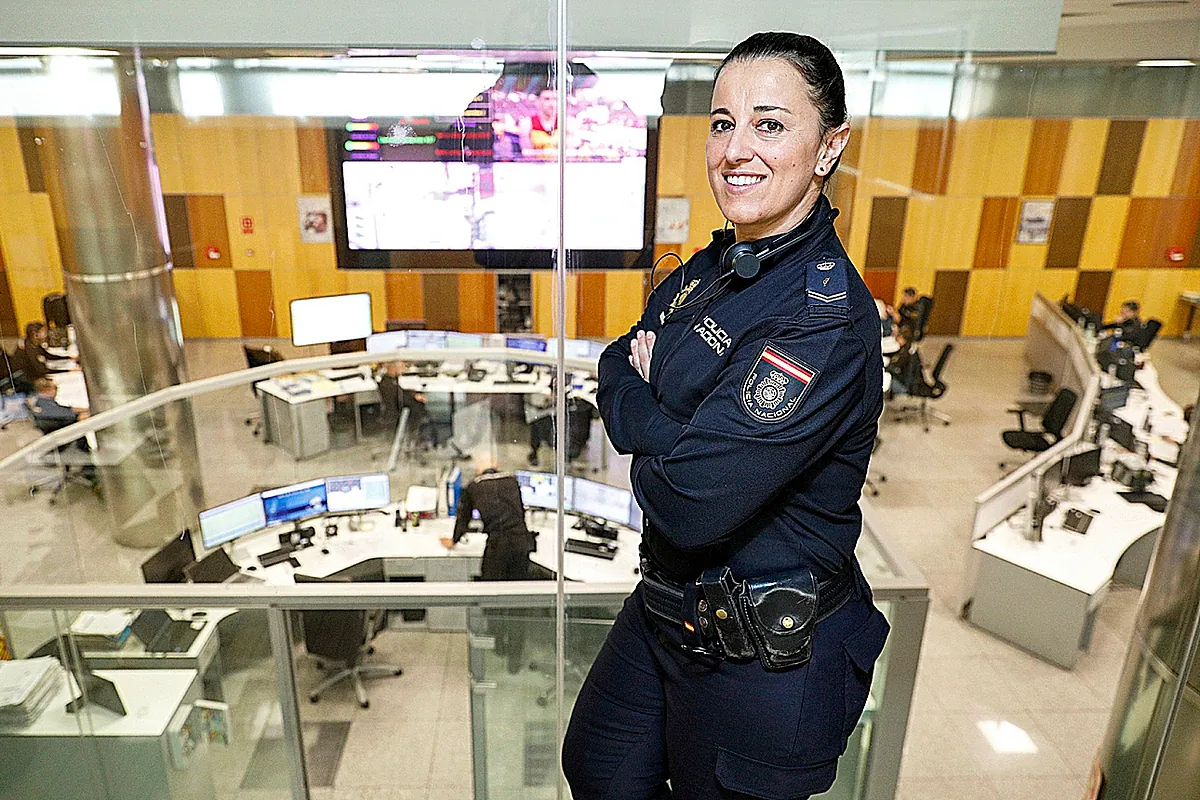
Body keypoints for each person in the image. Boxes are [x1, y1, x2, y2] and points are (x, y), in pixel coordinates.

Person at [562, 32, 890, 800]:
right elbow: (615, 362)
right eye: (721, 123)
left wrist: (660, 414)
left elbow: (688, 503)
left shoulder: (820, 319)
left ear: (829, 146)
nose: (736, 149)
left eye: (769, 124)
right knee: (598, 767)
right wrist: (688, 430)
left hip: (759, 660)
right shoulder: (717, 264)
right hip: (663, 609)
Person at [441, 467, 539, 672]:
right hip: (521, 545)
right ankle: (514, 660)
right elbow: (519, 514)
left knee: (492, 599)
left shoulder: (472, 487)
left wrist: (454, 540)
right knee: (518, 604)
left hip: (498, 549)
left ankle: (499, 645)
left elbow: (463, 520)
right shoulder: (512, 481)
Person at [885, 325, 922, 397]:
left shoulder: (905, 353)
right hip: (908, 382)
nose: (896, 338)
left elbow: (896, 369)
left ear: (902, 338)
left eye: (898, 336)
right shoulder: (908, 349)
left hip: (904, 386)